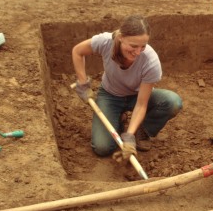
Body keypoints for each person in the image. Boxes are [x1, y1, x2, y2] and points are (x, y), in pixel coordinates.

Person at [72, 15, 183, 163]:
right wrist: (83, 83)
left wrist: (129, 135)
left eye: (143, 46)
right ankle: (118, 118)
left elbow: (141, 104)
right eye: (133, 46)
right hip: (110, 95)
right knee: (102, 148)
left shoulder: (150, 61)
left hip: (136, 96)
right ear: (121, 37)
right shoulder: (106, 42)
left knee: (172, 102)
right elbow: (78, 51)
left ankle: (142, 130)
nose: (138, 52)